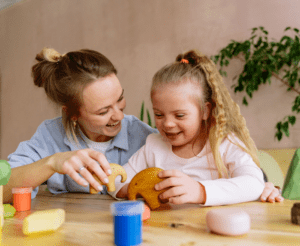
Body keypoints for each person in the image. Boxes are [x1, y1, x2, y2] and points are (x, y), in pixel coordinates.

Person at [4, 48, 282, 204]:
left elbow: (247, 177)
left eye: (121, 99)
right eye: (103, 111)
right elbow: (123, 179)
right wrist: (54, 163)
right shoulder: (154, 143)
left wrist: (264, 186)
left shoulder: (147, 135)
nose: (118, 115)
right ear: (73, 114)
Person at [112, 50, 284, 206]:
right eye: (158, 115)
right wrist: (140, 189)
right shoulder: (154, 145)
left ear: (205, 111)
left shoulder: (223, 143)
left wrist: (200, 191)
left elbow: (253, 184)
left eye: (179, 115)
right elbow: (117, 181)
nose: (167, 124)